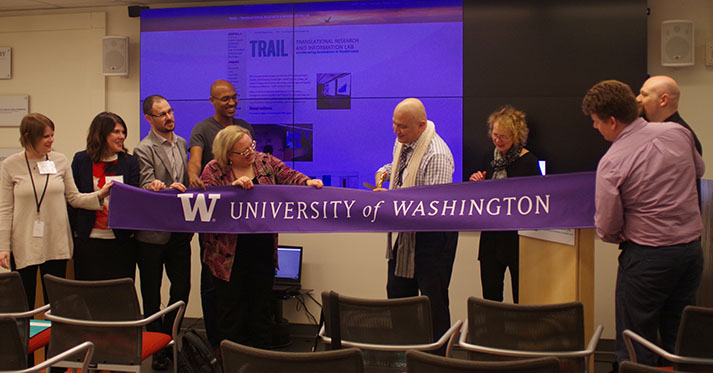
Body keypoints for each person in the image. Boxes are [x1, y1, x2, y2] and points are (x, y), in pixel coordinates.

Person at [581, 80, 704, 369]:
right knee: (679, 341)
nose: (595, 128)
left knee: (635, 346)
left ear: (612, 121)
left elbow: (608, 227)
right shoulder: (679, 133)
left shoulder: (612, 162)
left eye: (597, 122)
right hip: (690, 255)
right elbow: (699, 170)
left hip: (647, 260)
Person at [200, 125, 322, 348]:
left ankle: (261, 359)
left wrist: (307, 182)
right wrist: (230, 191)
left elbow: (289, 175)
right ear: (228, 155)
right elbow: (205, 204)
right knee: (231, 312)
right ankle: (233, 359)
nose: (250, 154)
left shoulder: (264, 162)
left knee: (261, 309)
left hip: (262, 249)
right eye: (243, 152)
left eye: (251, 147)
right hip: (227, 256)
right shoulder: (213, 170)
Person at [0, 113, 111, 307]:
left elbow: (74, 198)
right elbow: (5, 209)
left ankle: (55, 337)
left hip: (55, 239)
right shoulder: (10, 165)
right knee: (23, 299)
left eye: (52, 135)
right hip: (24, 241)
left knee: (56, 301)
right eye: (45, 136)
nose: (51, 140)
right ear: (28, 137)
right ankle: (24, 336)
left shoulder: (59, 161)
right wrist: (3, 247)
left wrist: (99, 196)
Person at [374, 98, 458, 353]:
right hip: (407, 234)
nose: (396, 131)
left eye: (402, 127)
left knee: (433, 304)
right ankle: (403, 355)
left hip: (433, 238)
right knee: (398, 295)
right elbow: (403, 169)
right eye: (394, 124)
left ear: (421, 126)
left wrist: (391, 202)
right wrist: (385, 171)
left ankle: (435, 361)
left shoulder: (437, 155)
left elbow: (434, 210)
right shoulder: (405, 142)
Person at [188, 79, 255, 347]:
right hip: (215, 220)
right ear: (213, 101)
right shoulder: (202, 129)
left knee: (241, 282)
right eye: (225, 98)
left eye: (234, 98)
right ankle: (217, 341)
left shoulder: (244, 128)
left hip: (244, 222)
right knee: (214, 280)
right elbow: (194, 161)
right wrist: (194, 178)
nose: (231, 103)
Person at [134, 95, 193, 371]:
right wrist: (159, 186)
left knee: (182, 288)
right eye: (162, 114)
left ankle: (169, 337)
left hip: (180, 230)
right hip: (152, 234)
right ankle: (156, 346)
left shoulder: (182, 143)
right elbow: (146, 183)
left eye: (170, 111)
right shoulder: (143, 149)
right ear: (149, 119)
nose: (169, 117)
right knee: (151, 293)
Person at [469, 106, 539, 303]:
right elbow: (483, 200)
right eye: (495, 135)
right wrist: (478, 185)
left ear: (516, 136)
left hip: (517, 239)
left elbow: (535, 202)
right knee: (490, 296)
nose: (498, 140)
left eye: (504, 137)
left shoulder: (528, 162)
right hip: (490, 238)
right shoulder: (488, 158)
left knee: (522, 296)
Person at [69, 112, 140, 281]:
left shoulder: (129, 162)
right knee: (88, 295)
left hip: (121, 241)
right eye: (116, 132)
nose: (121, 136)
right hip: (88, 240)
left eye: (123, 132)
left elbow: (134, 198)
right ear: (101, 134)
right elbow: (72, 199)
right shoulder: (81, 160)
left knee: (119, 296)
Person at [636, 75, 702, 155]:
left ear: (663, 100)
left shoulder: (679, 138)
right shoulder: (646, 129)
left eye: (644, 95)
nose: (638, 99)